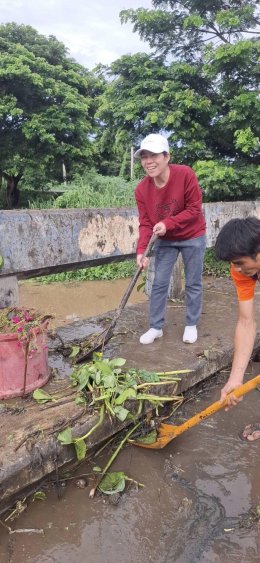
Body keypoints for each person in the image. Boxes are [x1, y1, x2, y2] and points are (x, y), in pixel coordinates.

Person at [134, 133, 206, 345]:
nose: (148, 161)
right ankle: (156, 327)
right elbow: (146, 223)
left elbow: (194, 209)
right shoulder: (141, 189)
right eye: (144, 156)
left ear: (166, 156)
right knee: (159, 283)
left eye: (154, 155)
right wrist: (141, 251)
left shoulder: (185, 174)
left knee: (193, 282)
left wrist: (168, 223)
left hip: (193, 235)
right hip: (165, 239)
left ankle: (191, 324)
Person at [215, 216, 260, 441]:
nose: (237, 269)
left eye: (240, 262)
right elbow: (246, 321)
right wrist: (235, 379)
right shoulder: (240, 270)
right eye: (233, 263)